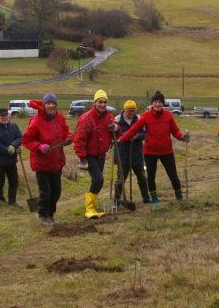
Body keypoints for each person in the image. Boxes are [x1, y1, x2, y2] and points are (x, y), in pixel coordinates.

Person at [119, 90, 189, 207]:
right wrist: (122, 139)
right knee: (151, 177)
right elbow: (133, 130)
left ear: (163, 103)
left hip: (166, 151)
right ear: (152, 103)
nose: (158, 104)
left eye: (160, 102)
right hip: (150, 152)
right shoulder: (145, 116)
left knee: (173, 175)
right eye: (155, 102)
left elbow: (175, 131)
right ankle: (155, 200)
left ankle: (179, 196)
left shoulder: (168, 115)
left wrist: (182, 137)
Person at [22, 94, 73, 225]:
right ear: (44, 105)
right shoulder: (36, 120)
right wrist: (39, 146)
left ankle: (51, 214)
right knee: (45, 192)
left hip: (57, 161)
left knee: (56, 191)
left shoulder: (60, 117)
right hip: (42, 163)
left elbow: (66, 132)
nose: (51, 105)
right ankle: (43, 216)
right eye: (48, 103)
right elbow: (27, 140)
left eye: (53, 103)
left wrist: (68, 138)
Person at [73, 89, 118, 218]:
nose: (102, 105)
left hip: (101, 155)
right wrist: (82, 158)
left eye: (104, 102)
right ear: (95, 103)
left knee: (96, 180)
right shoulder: (86, 119)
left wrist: (116, 128)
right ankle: (89, 209)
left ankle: (92, 207)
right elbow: (79, 139)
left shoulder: (109, 117)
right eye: (100, 102)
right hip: (89, 155)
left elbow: (116, 132)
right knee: (99, 180)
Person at [114, 100, 151, 204]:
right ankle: (116, 201)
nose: (132, 113)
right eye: (129, 111)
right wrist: (126, 136)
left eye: (133, 110)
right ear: (124, 110)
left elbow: (145, 133)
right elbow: (114, 134)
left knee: (142, 177)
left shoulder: (139, 118)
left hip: (136, 153)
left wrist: (138, 136)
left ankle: (146, 198)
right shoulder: (117, 119)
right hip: (122, 153)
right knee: (120, 179)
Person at [0, 107, 23, 207]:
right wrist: (9, 150)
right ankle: (1, 199)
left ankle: (12, 201)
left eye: (6, 115)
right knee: (0, 182)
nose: (4, 117)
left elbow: (20, 137)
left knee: (14, 181)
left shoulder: (13, 126)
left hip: (11, 161)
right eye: (2, 116)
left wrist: (14, 145)